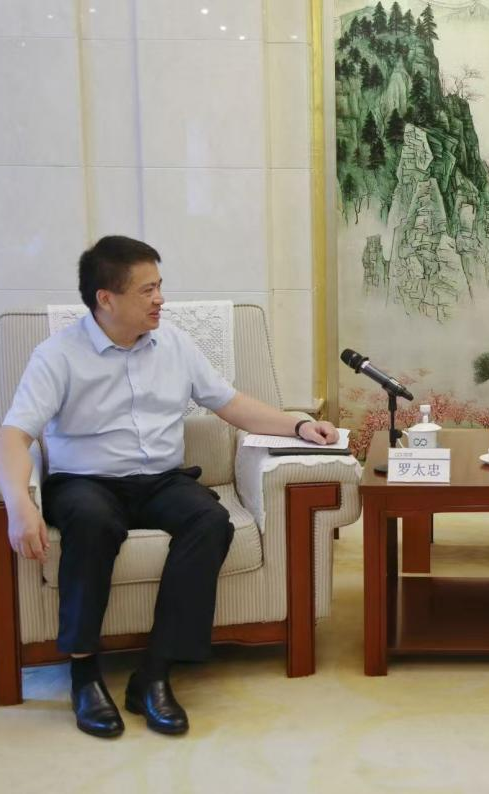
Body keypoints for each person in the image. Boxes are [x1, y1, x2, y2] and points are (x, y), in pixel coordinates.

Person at [0, 236, 340, 738]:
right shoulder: (57, 355)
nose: (161, 299)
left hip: (160, 479)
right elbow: (14, 433)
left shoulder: (175, 344)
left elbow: (230, 403)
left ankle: (154, 673)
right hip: (86, 483)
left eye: (160, 286)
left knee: (210, 520)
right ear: (106, 298)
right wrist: (18, 503)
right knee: (92, 523)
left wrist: (298, 424)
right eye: (147, 290)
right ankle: (84, 674)